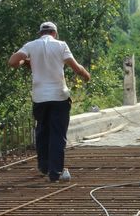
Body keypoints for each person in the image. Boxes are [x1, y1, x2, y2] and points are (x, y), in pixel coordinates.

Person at [8, 21, 91, 182]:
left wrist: (24, 62)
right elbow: (76, 67)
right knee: (58, 135)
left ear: (40, 33)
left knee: (42, 131)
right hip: (59, 97)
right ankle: (55, 173)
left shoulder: (31, 46)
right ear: (55, 33)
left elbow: (12, 62)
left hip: (39, 98)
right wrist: (86, 75)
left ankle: (44, 166)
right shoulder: (61, 45)